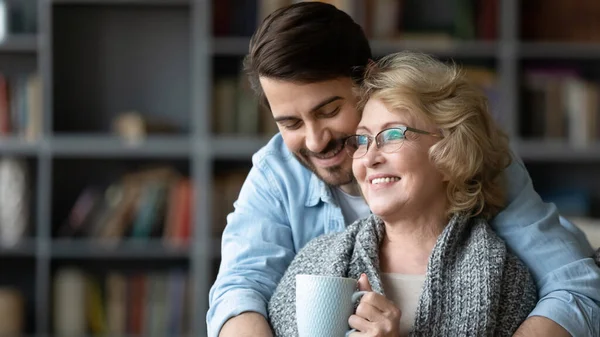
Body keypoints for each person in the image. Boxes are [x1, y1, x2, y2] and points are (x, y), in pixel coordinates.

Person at [207, 2, 600, 337]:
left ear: (370, 79)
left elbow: (575, 286)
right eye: (290, 123)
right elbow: (239, 292)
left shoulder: (471, 154)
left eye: (329, 111)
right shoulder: (277, 173)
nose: (314, 141)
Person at [268, 50, 538, 337]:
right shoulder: (313, 262)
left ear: (451, 153)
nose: (369, 157)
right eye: (362, 140)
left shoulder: (505, 279)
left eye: (393, 134)